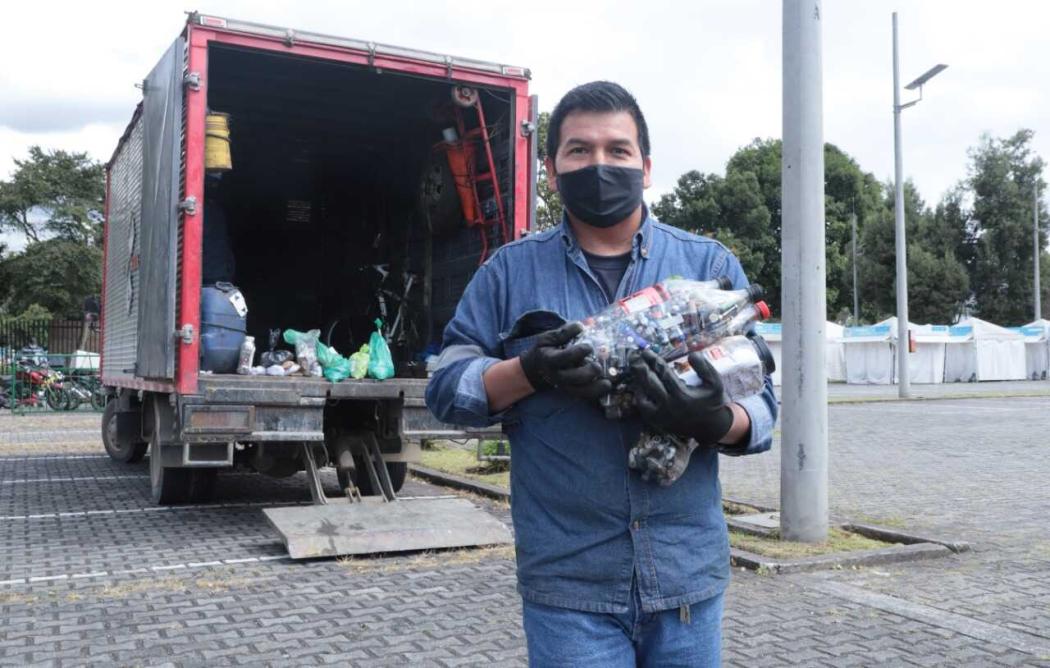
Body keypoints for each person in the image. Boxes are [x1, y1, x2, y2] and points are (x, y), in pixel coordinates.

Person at [426, 81, 777, 667]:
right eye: (579, 150)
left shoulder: (707, 267)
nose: (599, 164)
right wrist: (529, 369)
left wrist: (715, 420)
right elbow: (446, 387)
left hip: (685, 583)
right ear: (551, 168)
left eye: (617, 150)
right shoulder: (509, 273)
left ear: (645, 165)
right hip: (570, 588)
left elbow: (763, 402)